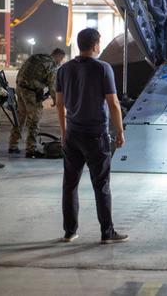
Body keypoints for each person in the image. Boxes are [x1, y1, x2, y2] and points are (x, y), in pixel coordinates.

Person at [56, 28, 127, 244]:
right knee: (101, 185)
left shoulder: (63, 69)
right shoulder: (103, 68)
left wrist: (64, 132)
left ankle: (70, 232)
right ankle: (107, 233)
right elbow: (113, 104)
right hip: (95, 135)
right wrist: (120, 132)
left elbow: (60, 104)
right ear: (96, 45)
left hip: (72, 135)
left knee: (70, 185)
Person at [8, 48, 65, 158]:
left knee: (20, 118)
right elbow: (52, 85)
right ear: (58, 56)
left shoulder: (36, 57)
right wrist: (55, 100)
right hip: (31, 93)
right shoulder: (52, 64)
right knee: (34, 120)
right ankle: (31, 149)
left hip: (20, 88)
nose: (60, 62)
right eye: (61, 59)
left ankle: (13, 145)